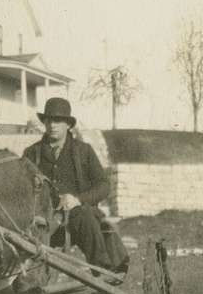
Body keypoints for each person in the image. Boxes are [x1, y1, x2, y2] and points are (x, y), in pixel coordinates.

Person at [23, 97, 128, 275]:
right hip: (43, 221)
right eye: (48, 120)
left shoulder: (83, 151)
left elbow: (103, 186)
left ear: (68, 124)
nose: (52, 125)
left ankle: (102, 271)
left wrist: (78, 199)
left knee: (85, 215)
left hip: (79, 221)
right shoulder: (31, 153)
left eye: (58, 120)